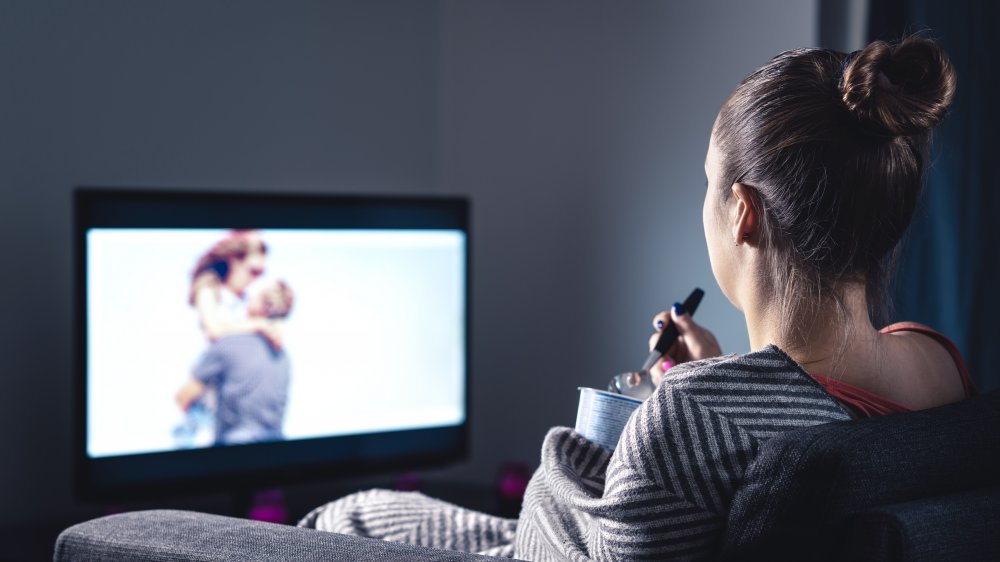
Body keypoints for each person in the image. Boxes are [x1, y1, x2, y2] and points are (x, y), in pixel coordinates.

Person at [300, 35, 975, 560]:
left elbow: (549, 538)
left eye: (707, 183)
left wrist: (634, 419)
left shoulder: (695, 415)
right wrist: (713, 377)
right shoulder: (935, 360)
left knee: (350, 516)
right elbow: (813, 406)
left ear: (743, 212)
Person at [175, 280, 295, 445]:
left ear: (261, 304)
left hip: (233, 452)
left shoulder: (229, 344)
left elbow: (184, 396)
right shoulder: (283, 357)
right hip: (276, 452)